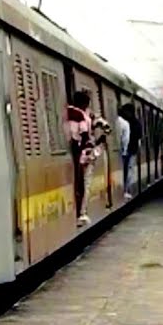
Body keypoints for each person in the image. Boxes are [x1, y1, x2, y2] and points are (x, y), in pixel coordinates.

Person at [66, 90, 95, 226]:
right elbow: (83, 134)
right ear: (84, 103)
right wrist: (88, 146)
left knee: (78, 182)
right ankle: (81, 213)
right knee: (85, 183)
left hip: (74, 150)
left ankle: (79, 211)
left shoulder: (69, 111)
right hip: (82, 152)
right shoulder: (80, 115)